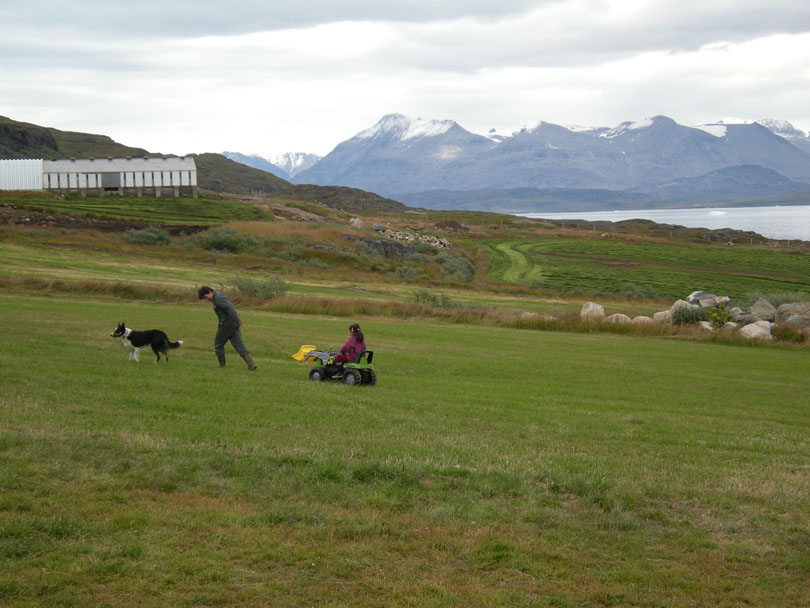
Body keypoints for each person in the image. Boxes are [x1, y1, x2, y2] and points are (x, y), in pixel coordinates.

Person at [198, 286, 257, 370]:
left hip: (226, 324)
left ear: (209, 292)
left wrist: (237, 319)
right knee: (238, 344)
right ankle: (251, 365)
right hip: (233, 323)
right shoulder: (218, 296)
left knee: (218, 345)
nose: (206, 299)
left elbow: (230, 309)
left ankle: (222, 366)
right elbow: (230, 309)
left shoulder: (217, 299)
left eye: (205, 297)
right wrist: (237, 320)